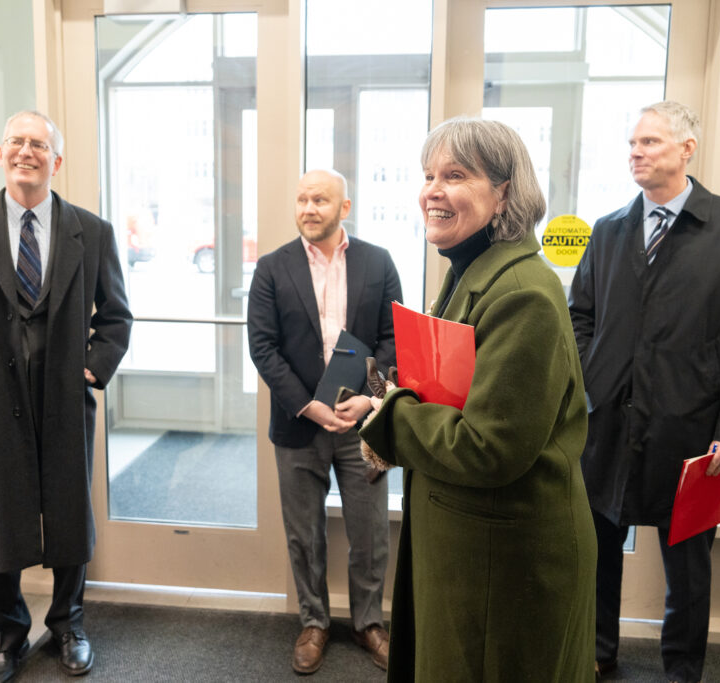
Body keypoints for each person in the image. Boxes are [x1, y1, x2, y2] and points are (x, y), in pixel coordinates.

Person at [358, 118, 596, 682]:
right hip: (473, 543)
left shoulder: (521, 294)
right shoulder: (473, 272)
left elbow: (490, 446)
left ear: (504, 193)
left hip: (508, 561)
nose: (432, 191)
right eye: (428, 175)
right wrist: (397, 398)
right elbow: (455, 393)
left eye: (455, 175)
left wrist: (391, 415)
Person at [0, 111, 132, 682]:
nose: (26, 152)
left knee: (66, 514)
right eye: (17, 141)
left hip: (64, 400)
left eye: (39, 144)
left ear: (56, 161)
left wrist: (92, 369)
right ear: (0, 153)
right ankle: (7, 637)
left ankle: (68, 625)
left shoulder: (93, 231)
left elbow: (115, 317)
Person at [568, 101, 720, 683]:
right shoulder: (608, 230)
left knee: (687, 562)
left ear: (687, 149)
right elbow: (579, 315)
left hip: (693, 427)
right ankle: (599, 648)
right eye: (633, 143)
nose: (636, 151)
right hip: (607, 421)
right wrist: (593, 379)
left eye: (651, 142)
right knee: (600, 545)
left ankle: (682, 670)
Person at [247, 169, 402, 675]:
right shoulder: (272, 268)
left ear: (345, 206)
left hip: (362, 425)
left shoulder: (379, 263)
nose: (309, 208)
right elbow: (263, 348)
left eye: (320, 199)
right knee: (304, 534)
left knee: (371, 532)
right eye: (302, 199)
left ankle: (367, 623)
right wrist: (307, 405)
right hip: (298, 425)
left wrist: (369, 400)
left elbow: (393, 339)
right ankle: (314, 622)